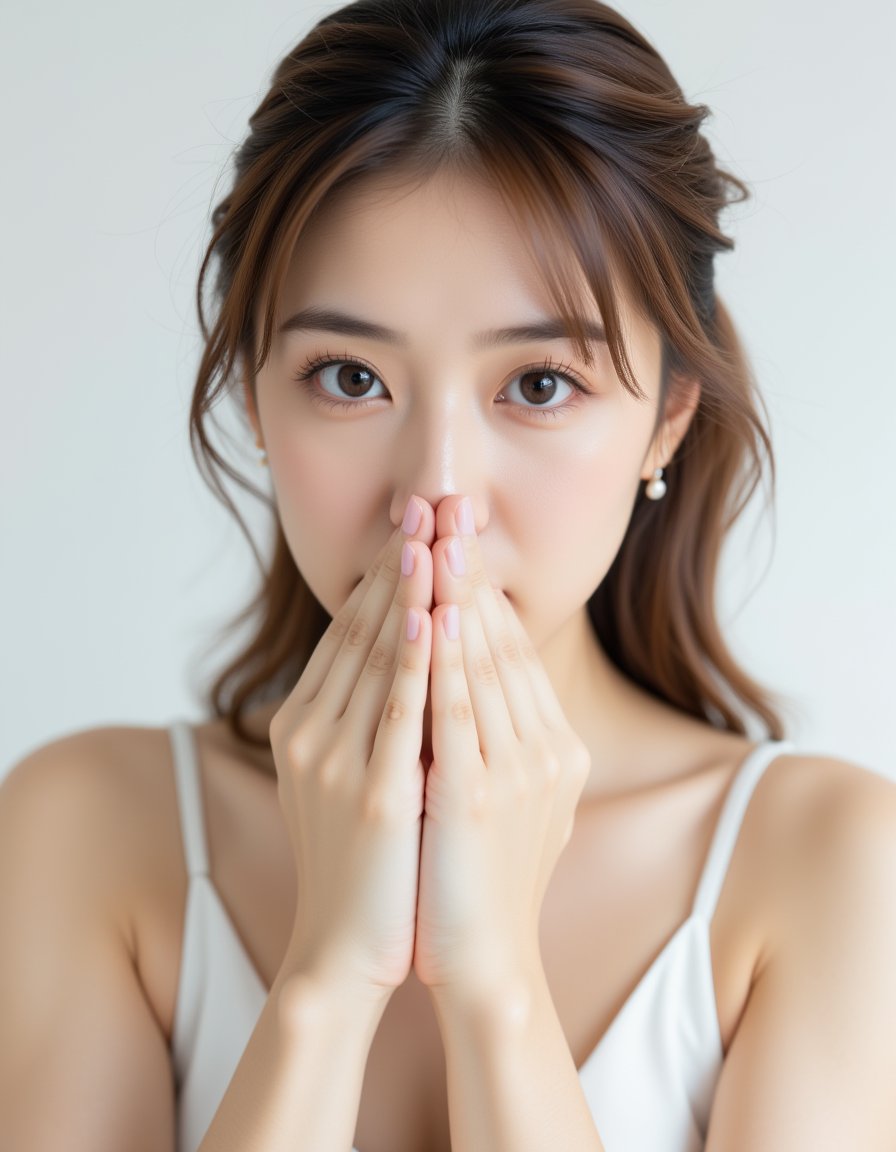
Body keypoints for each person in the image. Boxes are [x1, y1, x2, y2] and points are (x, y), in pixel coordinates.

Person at [2, 0, 894, 1148]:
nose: (434, 497)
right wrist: (325, 979)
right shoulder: (91, 830)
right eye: (349, 377)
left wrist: (495, 994)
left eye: (536, 385)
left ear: (666, 420)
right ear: (252, 400)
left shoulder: (824, 865)